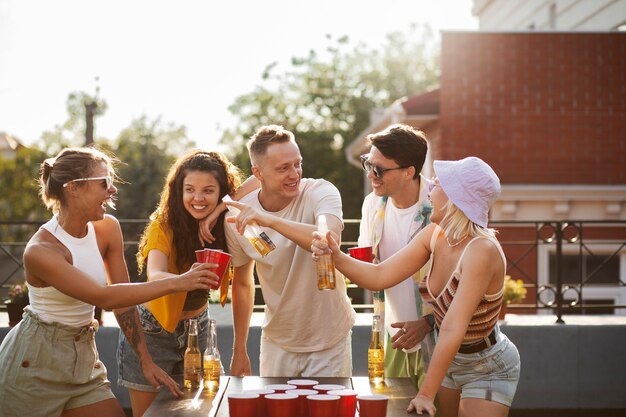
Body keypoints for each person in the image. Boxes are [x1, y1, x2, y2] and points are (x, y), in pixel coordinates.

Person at [0, 147, 216, 417]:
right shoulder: (42, 251)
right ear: (74, 188)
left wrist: (145, 361)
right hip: (34, 362)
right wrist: (179, 282)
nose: (112, 190)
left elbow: (123, 302)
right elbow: (103, 297)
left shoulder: (106, 228)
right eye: (104, 183)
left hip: (83, 357)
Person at [312, 156, 521, 417]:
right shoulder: (436, 234)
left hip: (487, 365)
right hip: (450, 361)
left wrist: (424, 394)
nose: (430, 188)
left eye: (439, 184)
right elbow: (379, 275)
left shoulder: (481, 250)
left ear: (457, 198)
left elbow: (453, 328)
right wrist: (336, 256)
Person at [117, 150, 258, 417]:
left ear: (222, 192)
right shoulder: (164, 223)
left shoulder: (226, 225)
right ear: (178, 191)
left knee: (202, 412)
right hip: (151, 332)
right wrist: (184, 280)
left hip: (199, 329)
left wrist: (219, 211)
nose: (198, 198)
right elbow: (155, 274)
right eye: (190, 189)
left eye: (208, 190)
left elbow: (261, 178)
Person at [224, 124, 356, 378]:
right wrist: (239, 349)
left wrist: (270, 221)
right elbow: (242, 283)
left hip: (329, 340)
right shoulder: (237, 218)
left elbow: (327, 241)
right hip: (276, 342)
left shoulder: (320, 191)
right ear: (258, 173)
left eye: (297, 164)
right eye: (283, 168)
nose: (294, 174)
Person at [357, 124, 436, 391]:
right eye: (368, 164)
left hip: (440, 341)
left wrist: (428, 323)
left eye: (379, 169)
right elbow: (367, 268)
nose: (371, 175)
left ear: (409, 172)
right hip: (393, 338)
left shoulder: (442, 206)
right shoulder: (372, 205)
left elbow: (464, 280)